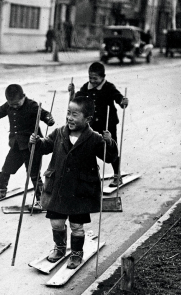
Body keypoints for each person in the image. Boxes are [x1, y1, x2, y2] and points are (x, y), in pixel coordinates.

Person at [29, 94, 118, 268]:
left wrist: (110, 143)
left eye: (75, 114)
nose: (69, 117)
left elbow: (109, 157)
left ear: (88, 119)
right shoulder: (59, 132)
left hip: (80, 190)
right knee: (56, 222)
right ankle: (60, 247)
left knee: (77, 226)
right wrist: (36, 142)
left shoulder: (95, 138)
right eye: (68, 112)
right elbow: (45, 146)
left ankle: (77, 253)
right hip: (59, 188)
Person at [0, 84, 54, 209]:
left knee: (33, 173)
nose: (14, 106)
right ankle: (1, 190)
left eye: (17, 104)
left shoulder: (32, 105)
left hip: (32, 146)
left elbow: (45, 114)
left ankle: (40, 199)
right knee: (6, 168)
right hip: (16, 145)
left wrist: (49, 119)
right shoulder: (8, 106)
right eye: (11, 104)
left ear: (23, 97)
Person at [68, 62, 128, 187]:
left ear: (103, 77)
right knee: (88, 147)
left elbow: (119, 98)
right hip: (91, 125)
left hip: (108, 124)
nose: (92, 81)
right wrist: (72, 93)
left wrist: (123, 101)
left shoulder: (109, 87)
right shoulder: (86, 87)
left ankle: (117, 175)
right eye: (90, 78)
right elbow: (77, 100)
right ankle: (88, 175)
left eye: (95, 78)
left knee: (111, 148)